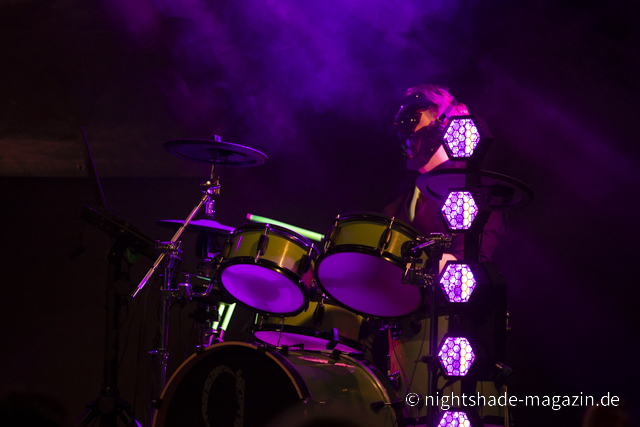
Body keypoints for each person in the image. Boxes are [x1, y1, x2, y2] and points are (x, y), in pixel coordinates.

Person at [381, 84, 509, 426]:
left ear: (443, 126)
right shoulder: (397, 200)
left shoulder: (475, 194)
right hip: (398, 340)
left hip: (455, 339)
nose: (406, 133)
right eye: (403, 123)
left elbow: (472, 261)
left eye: (414, 120)